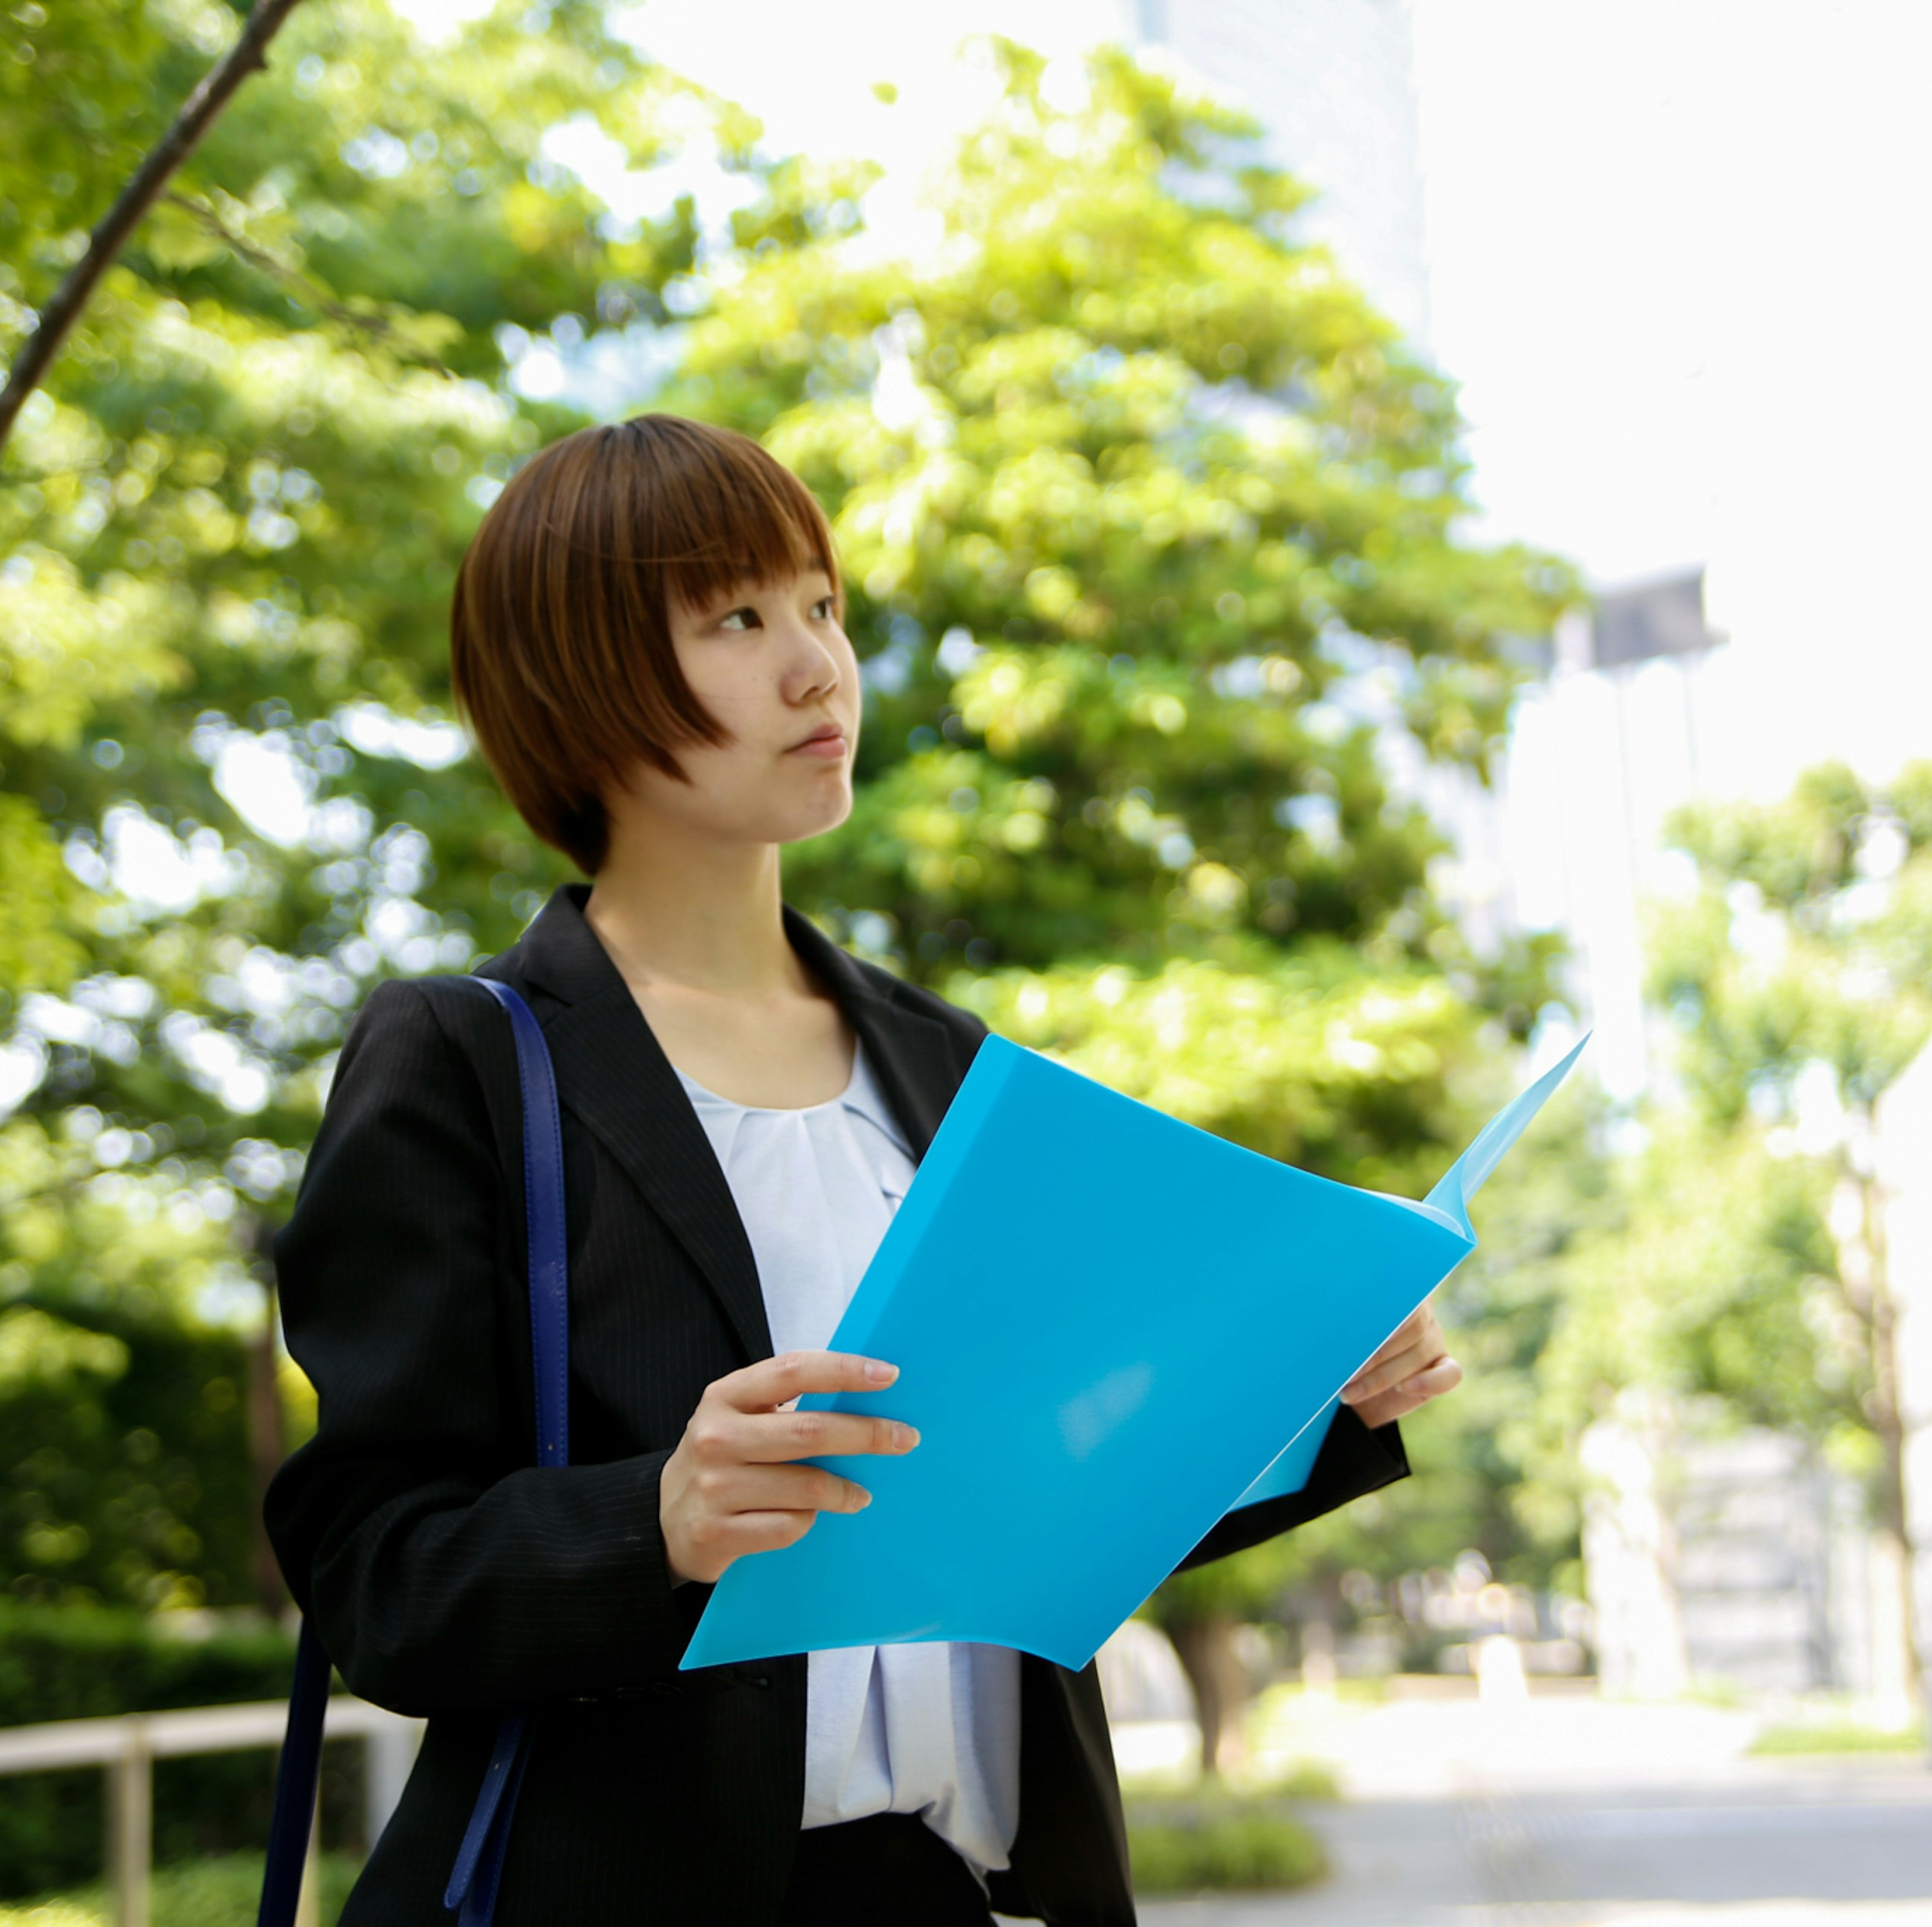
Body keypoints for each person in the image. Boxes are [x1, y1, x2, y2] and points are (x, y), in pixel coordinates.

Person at [264, 414, 1463, 1926]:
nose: (819, 664)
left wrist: (1308, 1386)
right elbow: (377, 1571)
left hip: (959, 1896)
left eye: (821, 604)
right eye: (739, 619)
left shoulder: (943, 1059)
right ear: (577, 679)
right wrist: (662, 1519)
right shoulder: (467, 1059)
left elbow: (1057, 1485)